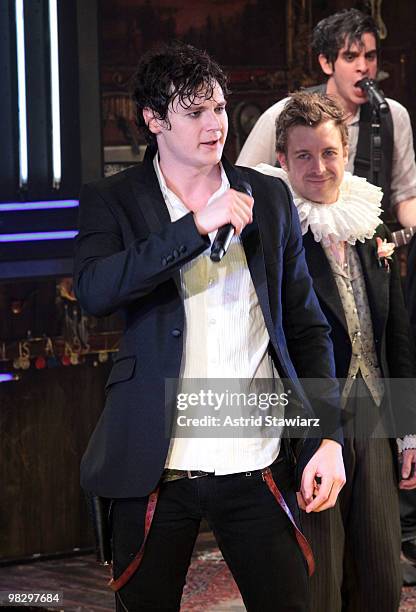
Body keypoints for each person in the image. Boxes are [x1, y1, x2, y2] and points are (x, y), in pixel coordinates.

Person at [74, 42, 346, 611]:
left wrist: (326, 435)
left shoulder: (267, 195)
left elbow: (307, 328)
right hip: (157, 466)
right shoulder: (114, 201)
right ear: (154, 120)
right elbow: (96, 290)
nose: (214, 124)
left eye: (219, 108)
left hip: (256, 456)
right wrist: (194, 228)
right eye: (194, 112)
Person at [254, 90, 416, 612]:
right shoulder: (274, 232)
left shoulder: (369, 223)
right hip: (309, 421)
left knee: (380, 579)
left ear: (345, 152)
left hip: (374, 410)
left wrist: (409, 428)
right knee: (318, 579)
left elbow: (398, 334)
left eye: (329, 153)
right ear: (282, 159)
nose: (319, 167)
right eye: (303, 155)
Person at [237, 8, 416, 228]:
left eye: (370, 56)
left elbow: (406, 196)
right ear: (326, 63)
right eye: (350, 57)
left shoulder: (393, 115)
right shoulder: (284, 113)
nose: (363, 68)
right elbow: (241, 188)